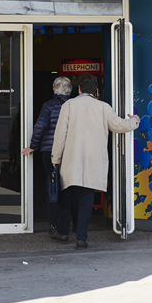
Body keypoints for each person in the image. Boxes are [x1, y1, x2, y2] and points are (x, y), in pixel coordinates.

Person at [50, 73, 139, 249]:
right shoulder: (103, 107)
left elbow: (60, 134)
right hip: (93, 161)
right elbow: (119, 126)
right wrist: (134, 121)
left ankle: (63, 233)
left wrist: (55, 157)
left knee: (67, 195)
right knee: (86, 199)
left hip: (71, 159)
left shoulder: (69, 105)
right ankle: (81, 238)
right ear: (96, 90)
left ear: (79, 89)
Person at [21, 76, 72, 237]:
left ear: (54, 90)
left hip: (49, 152)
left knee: (53, 188)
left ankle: (54, 225)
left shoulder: (49, 106)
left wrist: (33, 146)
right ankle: (69, 225)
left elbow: (40, 126)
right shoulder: (74, 106)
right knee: (69, 189)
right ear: (70, 90)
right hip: (70, 152)